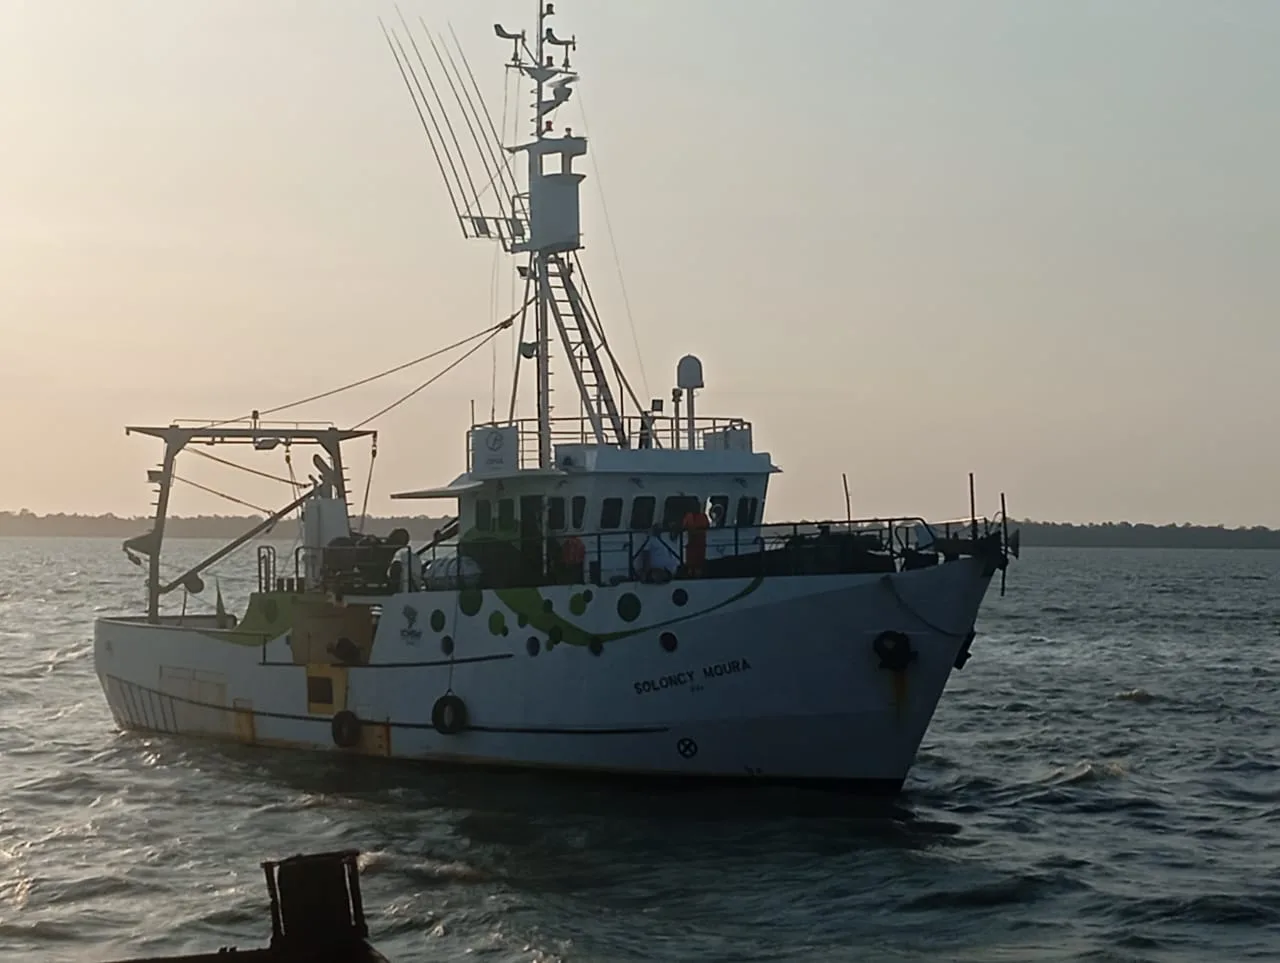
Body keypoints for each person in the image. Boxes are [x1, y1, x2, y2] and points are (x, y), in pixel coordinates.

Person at [682, 504, 710, 576]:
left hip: (700, 542)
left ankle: (698, 574)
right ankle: (690, 574)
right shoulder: (689, 516)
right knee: (691, 562)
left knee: (698, 562)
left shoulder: (703, 516)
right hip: (692, 542)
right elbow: (684, 527)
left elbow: (707, 526)